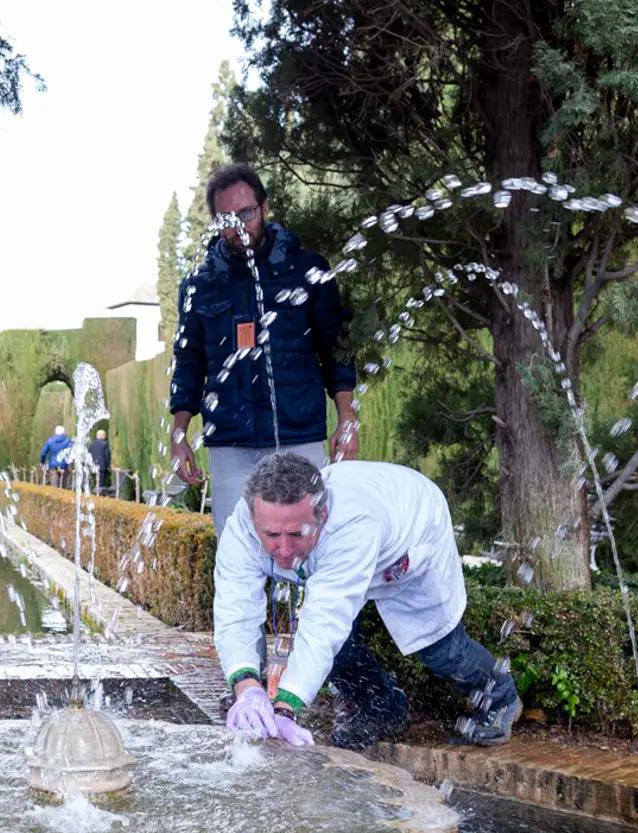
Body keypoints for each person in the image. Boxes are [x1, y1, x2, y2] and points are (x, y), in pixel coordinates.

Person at [216, 452, 522, 750]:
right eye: (271, 534)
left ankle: (501, 695)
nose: (283, 550)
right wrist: (247, 688)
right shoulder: (240, 528)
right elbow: (236, 611)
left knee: (441, 649)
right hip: (348, 549)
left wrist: (284, 709)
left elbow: (324, 623)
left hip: (411, 531)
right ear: (253, 517)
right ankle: (383, 707)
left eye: (296, 534)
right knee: (341, 652)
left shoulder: (353, 524)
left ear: (321, 515)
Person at [168, 162, 358, 533]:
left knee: (307, 550)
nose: (238, 226)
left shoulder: (308, 271)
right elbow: (188, 362)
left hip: (298, 438)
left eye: (246, 213)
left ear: (265, 208)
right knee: (237, 558)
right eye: (226, 218)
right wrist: (179, 436)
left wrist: (347, 418)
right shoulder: (199, 284)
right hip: (229, 444)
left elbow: (336, 347)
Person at [87, 428, 113, 495]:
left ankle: (93, 494)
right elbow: (106, 456)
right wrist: (108, 466)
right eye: (105, 435)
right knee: (100, 484)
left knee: (95, 481)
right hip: (102, 466)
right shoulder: (104, 444)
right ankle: (98, 496)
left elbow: (88, 453)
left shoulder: (92, 444)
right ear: (103, 436)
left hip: (93, 466)